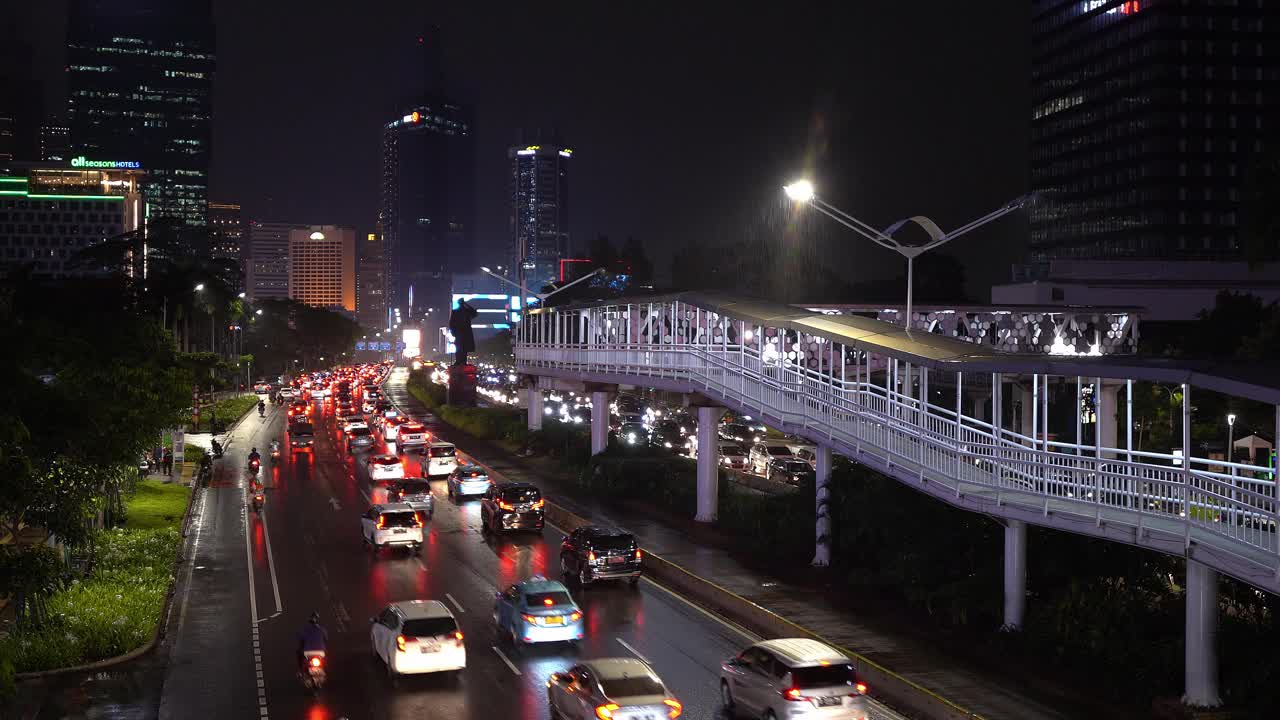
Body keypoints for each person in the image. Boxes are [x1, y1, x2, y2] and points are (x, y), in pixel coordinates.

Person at [448, 298, 479, 366]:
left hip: (466, 332)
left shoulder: (467, 311)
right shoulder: (455, 311)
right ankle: (458, 361)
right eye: (461, 303)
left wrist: (466, 304)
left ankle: (463, 362)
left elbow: (475, 313)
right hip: (458, 332)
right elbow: (451, 323)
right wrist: (452, 331)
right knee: (458, 347)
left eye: (462, 303)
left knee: (464, 348)